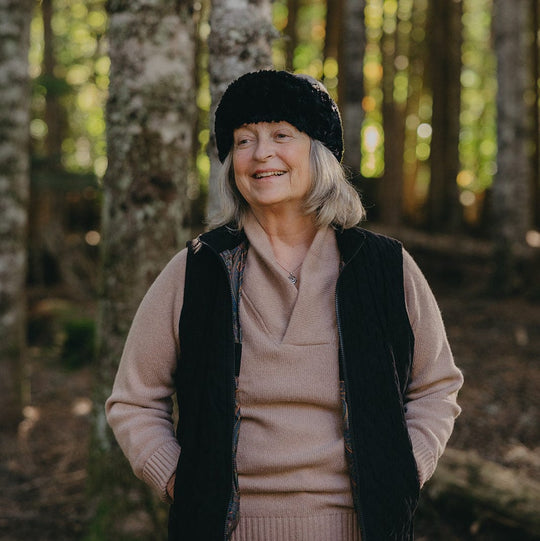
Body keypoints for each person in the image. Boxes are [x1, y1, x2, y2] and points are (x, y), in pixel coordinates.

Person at [106, 70, 463, 541]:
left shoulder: (383, 267)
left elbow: (436, 387)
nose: (261, 154)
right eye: (244, 139)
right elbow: (132, 400)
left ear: (319, 153)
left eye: (281, 135)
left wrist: (399, 473)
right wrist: (181, 483)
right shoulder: (198, 269)